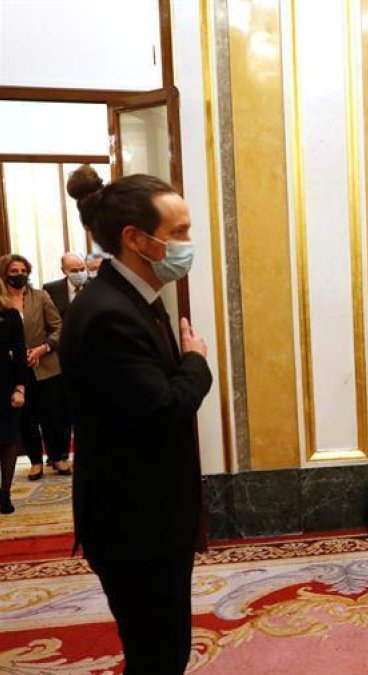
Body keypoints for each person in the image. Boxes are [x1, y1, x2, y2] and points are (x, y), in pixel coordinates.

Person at [62, 164, 212, 674]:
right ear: (136, 238)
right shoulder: (108, 314)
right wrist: (196, 362)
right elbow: (164, 407)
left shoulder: (134, 299)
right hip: (135, 525)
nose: (188, 243)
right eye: (179, 233)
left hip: (151, 516)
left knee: (163, 649)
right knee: (156, 656)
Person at [0, 255, 70, 480]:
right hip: (14, 371)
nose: (19, 274)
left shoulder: (40, 296)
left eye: (23, 270)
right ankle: (35, 461)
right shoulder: (1, 302)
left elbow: (58, 328)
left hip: (46, 365)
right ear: (4, 274)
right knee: (25, 417)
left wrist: (43, 349)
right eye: (13, 271)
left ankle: (58, 456)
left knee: (54, 413)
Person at [0, 299, 27, 515]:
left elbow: (19, 352)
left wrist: (20, 387)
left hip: (4, 382)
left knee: (8, 438)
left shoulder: (10, 314)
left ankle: (5, 494)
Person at [45, 252, 89, 319]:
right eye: (74, 270)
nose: (79, 273)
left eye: (82, 269)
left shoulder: (96, 286)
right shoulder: (51, 290)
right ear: (63, 271)